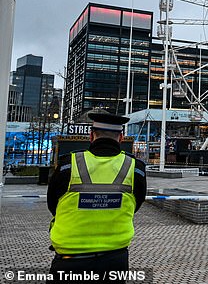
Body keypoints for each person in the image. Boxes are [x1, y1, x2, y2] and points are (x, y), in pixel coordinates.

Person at [47, 110, 147, 283]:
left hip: (70, 260)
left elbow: (52, 204)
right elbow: (136, 204)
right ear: (121, 137)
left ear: (91, 136)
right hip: (116, 260)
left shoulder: (68, 165)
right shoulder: (135, 168)